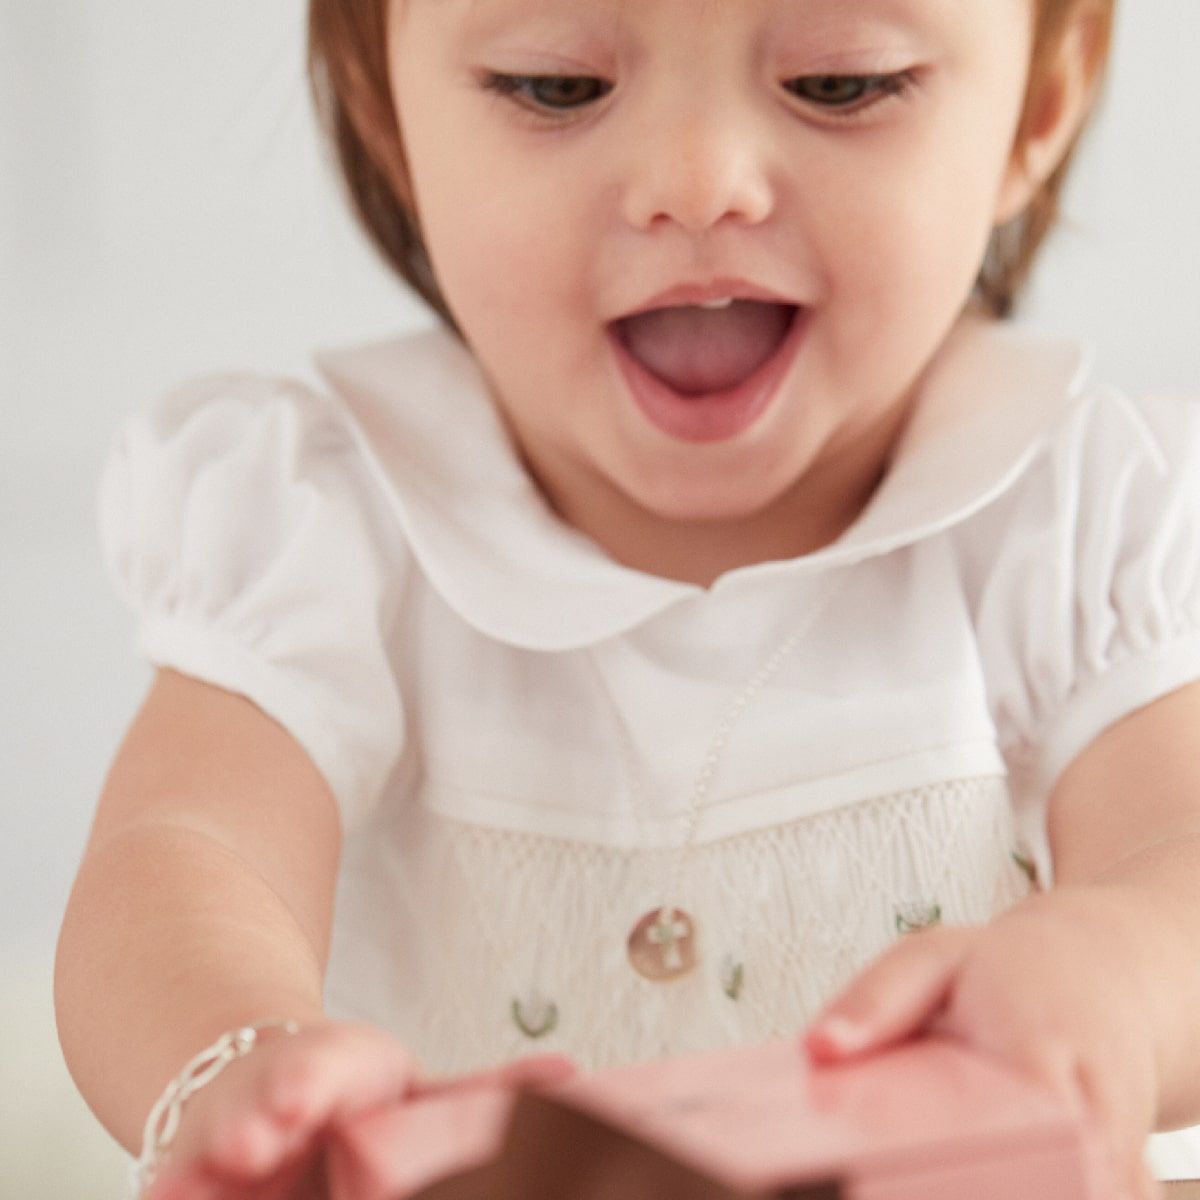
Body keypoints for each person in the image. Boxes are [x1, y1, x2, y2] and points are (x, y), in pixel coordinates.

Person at [54, 0, 1200, 1196]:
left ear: (1038, 110)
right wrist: (234, 1061)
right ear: (389, 121)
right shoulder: (326, 528)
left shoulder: (1076, 528)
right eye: (554, 87)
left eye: (842, 83)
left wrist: (1113, 984)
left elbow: (1184, 853)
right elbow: (182, 856)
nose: (696, 183)